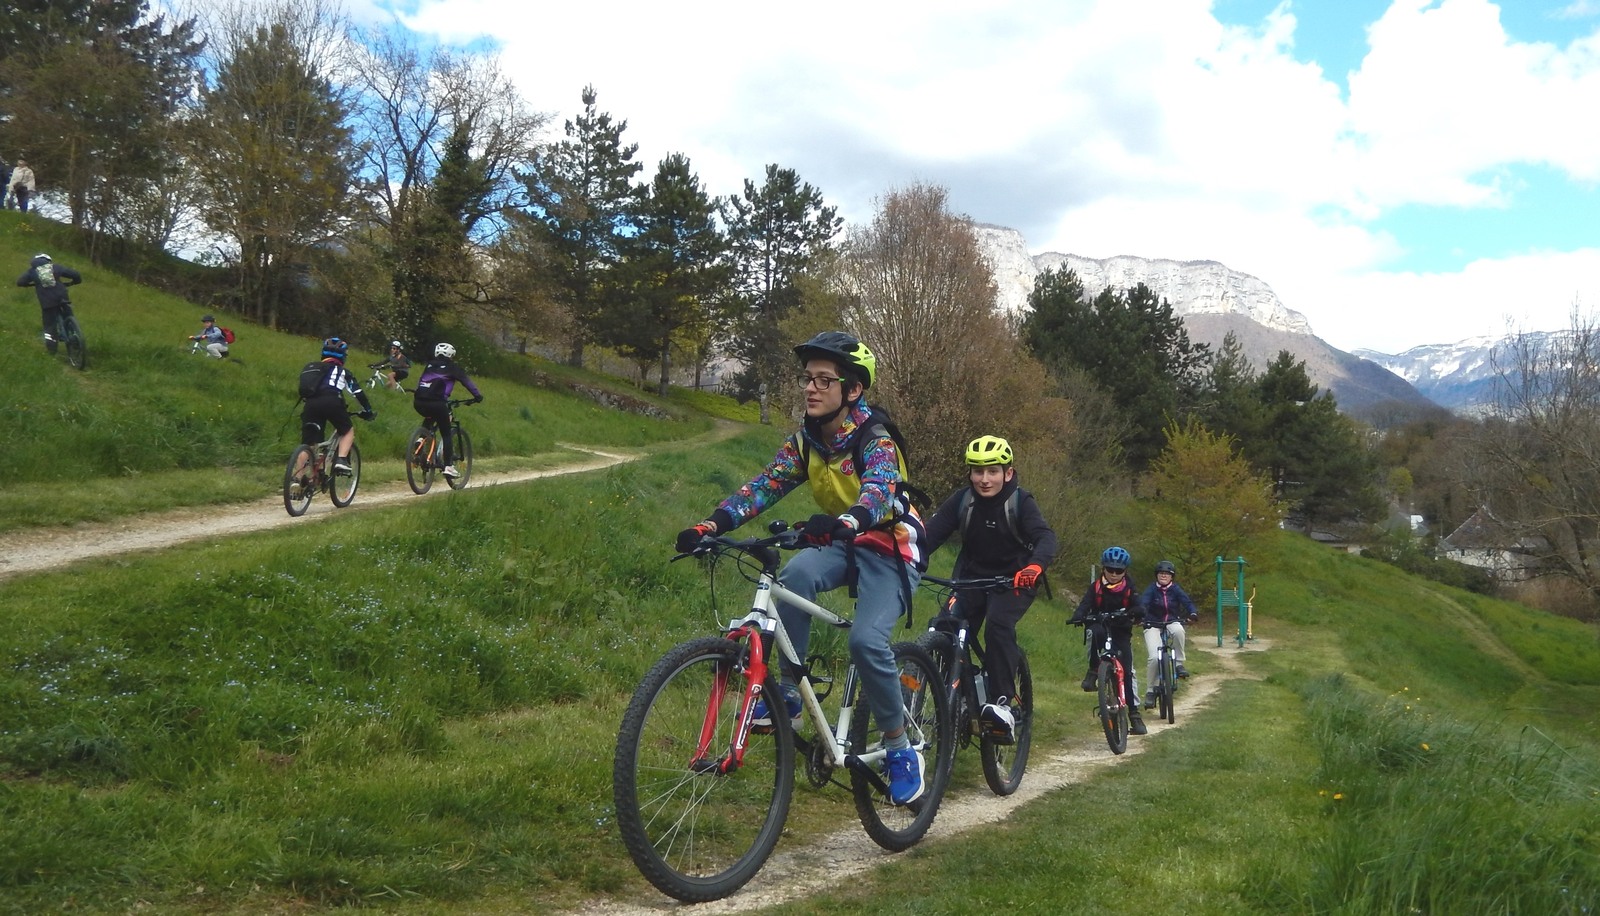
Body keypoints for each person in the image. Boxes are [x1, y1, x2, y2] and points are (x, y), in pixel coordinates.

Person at [673, 331, 930, 805]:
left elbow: (879, 491)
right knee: (793, 577)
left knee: (866, 642)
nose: (811, 388)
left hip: (891, 548)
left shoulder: (875, 439)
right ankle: (789, 695)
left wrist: (848, 520)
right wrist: (711, 524)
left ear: (853, 389)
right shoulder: (807, 441)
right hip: (843, 541)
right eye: (808, 378)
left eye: (824, 380)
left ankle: (899, 748)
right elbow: (763, 487)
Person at [922, 434, 1057, 741]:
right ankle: (954, 698)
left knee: (998, 624)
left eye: (993, 471)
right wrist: (905, 560)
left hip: (1014, 580)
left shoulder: (1020, 502)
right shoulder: (962, 501)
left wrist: (1034, 567)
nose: (984, 479)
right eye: (978, 471)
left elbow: (1045, 538)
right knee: (944, 627)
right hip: (971, 578)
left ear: (1008, 473)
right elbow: (929, 537)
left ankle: (1001, 703)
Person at [1070, 546, 1148, 736]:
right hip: (1100, 625)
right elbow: (1085, 604)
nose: (1113, 574)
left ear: (1125, 571)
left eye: (1118, 571)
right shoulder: (1096, 587)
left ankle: (1134, 715)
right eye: (1110, 569)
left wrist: (1135, 612)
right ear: (1103, 568)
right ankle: (1093, 670)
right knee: (1093, 633)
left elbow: (1139, 605)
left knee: (1127, 672)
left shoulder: (1129, 587)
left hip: (1121, 630)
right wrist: (1078, 616)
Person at [298, 337, 373, 476]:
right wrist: (368, 410)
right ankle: (341, 460)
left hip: (310, 404)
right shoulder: (342, 372)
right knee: (347, 431)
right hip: (332, 401)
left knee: (309, 444)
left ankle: (296, 480)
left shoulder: (313, 369)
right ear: (343, 357)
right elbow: (357, 393)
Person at [411, 342, 482, 479]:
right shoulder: (452, 367)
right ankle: (449, 466)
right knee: (446, 434)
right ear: (450, 355)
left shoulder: (429, 365)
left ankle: (421, 438)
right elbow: (467, 382)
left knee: (430, 415)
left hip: (418, 402)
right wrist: (477, 396)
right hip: (438, 403)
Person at [1140, 559, 1199, 708]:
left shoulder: (1175, 589)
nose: (1164, 576)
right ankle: (1150, 691)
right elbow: (1143, 603)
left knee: (1179, 630)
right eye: (1161, 573)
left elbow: (1187, 602)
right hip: (1152, 624)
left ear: (1172, 576)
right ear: (1156, 575)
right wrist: (1140, 615)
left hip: (1172, 621)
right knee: (1154, 657)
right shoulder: (1151, 589)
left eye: (1167, 574)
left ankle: (1179, 664)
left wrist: (1192, 613)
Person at [16, 253, 82, 355]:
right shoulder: (55, 267)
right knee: (68, 316)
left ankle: (52, 351)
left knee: (49, 326)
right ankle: (75, 336)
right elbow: (75, 275)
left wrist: (30, 284)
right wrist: (74, 282)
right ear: (48, 260)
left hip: (47, 301)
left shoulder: (32, 271)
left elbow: (20, 282)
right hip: (62, 297)